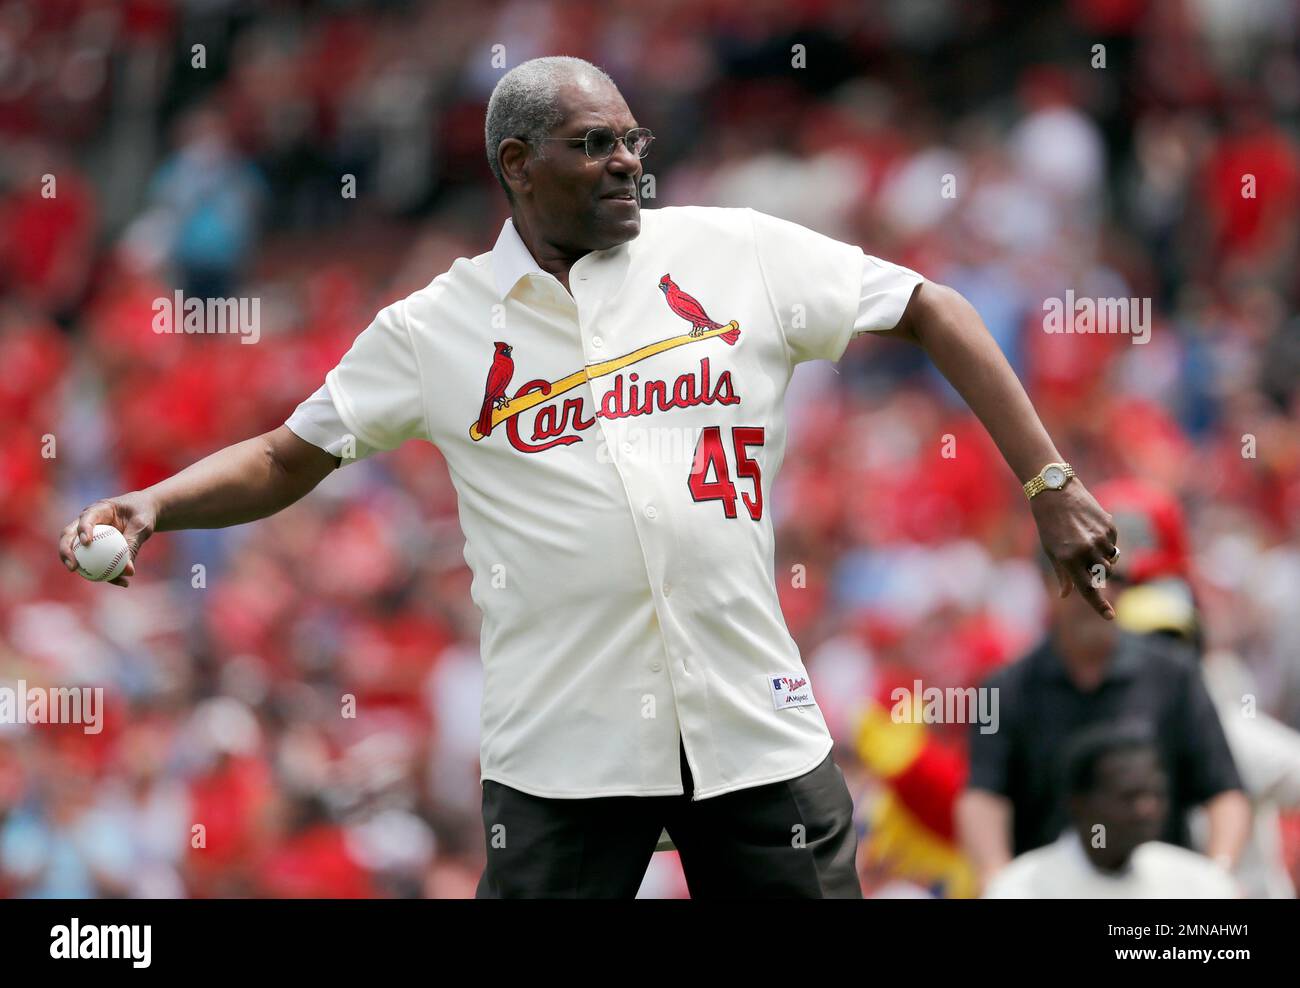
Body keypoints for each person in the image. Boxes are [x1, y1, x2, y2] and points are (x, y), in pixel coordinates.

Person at [60, 56, 1121, 899]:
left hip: (750, 716)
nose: (625, 163)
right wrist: (154, 502)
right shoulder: (435, 327)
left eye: (631, 141)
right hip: (564, 747)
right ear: (517, 164)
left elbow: (931, 302)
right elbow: (288, 454)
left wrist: (1047, 482)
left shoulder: (732, 252)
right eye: (592, 145)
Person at [957, 542, 1250, 894]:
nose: (1099, 592)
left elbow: (1224, 790)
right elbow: (984, 793)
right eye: (1081, 578)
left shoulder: (1174, 675)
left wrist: (1215, 876)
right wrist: (998, 878)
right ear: (1048, 586)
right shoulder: (1004, 689)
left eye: (1111, 578)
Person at [983, 723, 1238, 898]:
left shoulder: (1197, 884)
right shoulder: (1021, 888)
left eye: (1156, 794)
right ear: (1079, 803)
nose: (1147, 809)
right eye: (1129, 797)